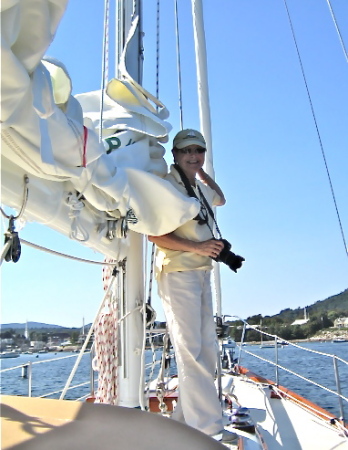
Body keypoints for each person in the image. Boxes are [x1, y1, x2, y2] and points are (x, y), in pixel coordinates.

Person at [149, 129, 237, 443]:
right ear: (174, 154)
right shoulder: (168, 186)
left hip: (200, 274)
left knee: (207, 350)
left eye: (198, 150)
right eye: (187, 151)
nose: (193, 155)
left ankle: (184, 418)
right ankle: (209, 429)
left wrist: (201, 173)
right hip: (178, 273)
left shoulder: (197, 187)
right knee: (191, 351)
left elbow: (222, 199)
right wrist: (199, 248)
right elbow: (154, 235)